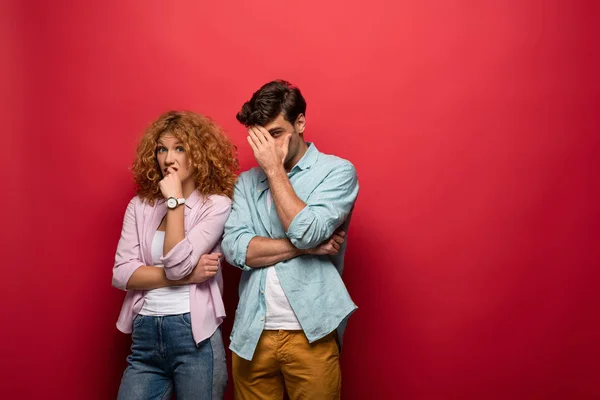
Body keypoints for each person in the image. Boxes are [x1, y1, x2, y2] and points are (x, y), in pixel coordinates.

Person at [222, 80, 359, 399]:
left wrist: (273, 171)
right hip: (251, 334)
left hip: (311, 331)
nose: (267, 149)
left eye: (276, 134)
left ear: (300, 123)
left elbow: (306, 230)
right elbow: (236, 248)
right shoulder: (245, 182)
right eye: (260, 139)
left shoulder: (336, 172)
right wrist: (306, 249)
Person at [112, 110, 238, 399]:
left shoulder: (216, 205)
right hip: (145, 333)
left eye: (179, 148)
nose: (169, 158)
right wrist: (185, 278)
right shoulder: (139, 206)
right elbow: (121, 274)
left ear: (198, 153)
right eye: (162, 149)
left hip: (194, 335)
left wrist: (175, 201)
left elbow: (177, 266)